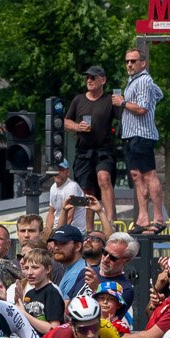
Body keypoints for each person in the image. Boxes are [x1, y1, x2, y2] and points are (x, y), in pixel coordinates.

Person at [64, 65, 118, 230]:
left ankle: (110, 221)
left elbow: (124, 118)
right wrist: (77, 127)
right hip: (83, 151)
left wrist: (123, 102)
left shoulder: (110, 100)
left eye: (93, 77)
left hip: (103, 149)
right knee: (87, 189)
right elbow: (66, 121)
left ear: (103, 80)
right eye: (87, 77)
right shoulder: (78, 99)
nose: (89, 80)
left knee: (104, 178)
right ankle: (89, 229)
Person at [118, 47, 165, 233]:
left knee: (148, 174)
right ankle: (143, 217)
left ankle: (158, 218)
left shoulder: (144, 80)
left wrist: (122, 102)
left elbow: (143, 108)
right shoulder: (134, 80)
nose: (129, 64)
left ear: (142, 63)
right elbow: (159, 94)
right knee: (137, 176)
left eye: (133, 61)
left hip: (142, 133)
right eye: (127, 61)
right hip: (130, 134)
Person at [46, 158, 90, 234]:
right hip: (58, 229)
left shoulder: (72, 187)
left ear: (68, 172)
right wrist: (47, 231)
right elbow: (51, 212)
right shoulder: (53, 187)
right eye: (56, 169)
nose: (58, 172)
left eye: (61, 170)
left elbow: (70, 216)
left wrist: (57, 234)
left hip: (74, 231)